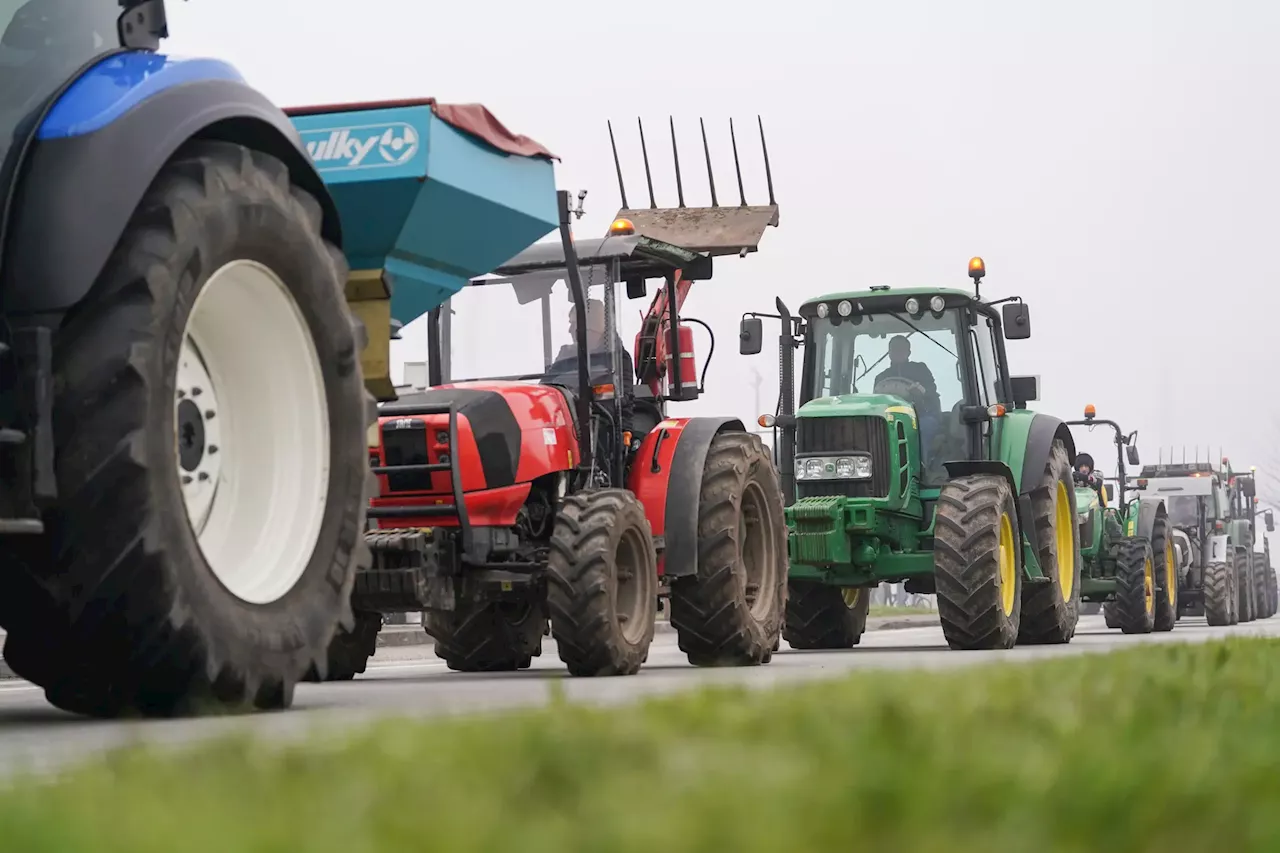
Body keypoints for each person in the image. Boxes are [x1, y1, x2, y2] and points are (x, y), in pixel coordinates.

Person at [545, 298, 635, 431]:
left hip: (606, 430)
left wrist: (583, 405)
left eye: (574, 324)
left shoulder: (618, 358)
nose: (570, 330)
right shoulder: (565, 356)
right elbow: (546, 387)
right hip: (567, 422)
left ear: (591, 326)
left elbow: (619, 398)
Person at [874, 336, 940, 412]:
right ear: (889, 352)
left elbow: (931, 390)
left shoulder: (920, 369)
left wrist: (921, 392)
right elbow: (876, 402)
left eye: (901, 349)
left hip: (920, 414)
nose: (897, 352)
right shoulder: (881, 378)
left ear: (909, 352)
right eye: (894, 349)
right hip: (889, 415)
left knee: (927, 422)